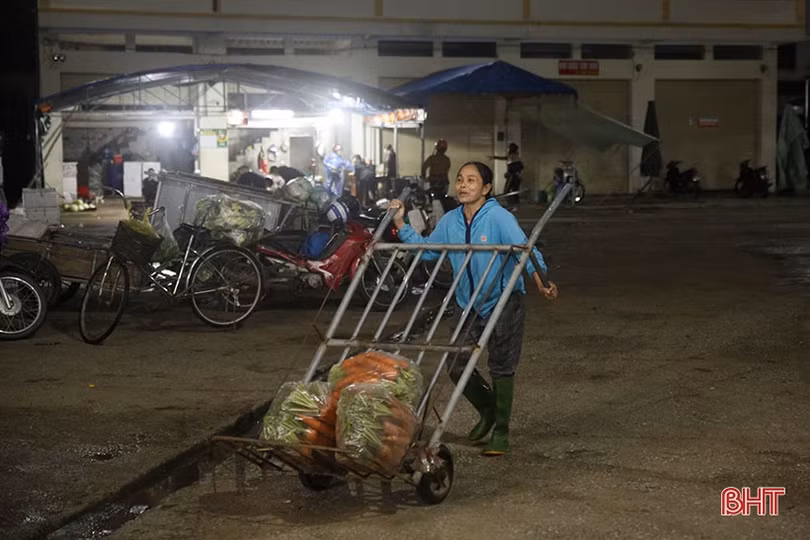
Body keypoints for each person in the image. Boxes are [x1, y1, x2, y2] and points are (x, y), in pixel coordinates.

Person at [388, 161, 558, 456]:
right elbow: (429, 249)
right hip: (467, 301)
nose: (463, 185)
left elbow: (524, 250)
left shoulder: (499, 218)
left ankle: (501, 432)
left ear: (487, 188)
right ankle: (490, 410)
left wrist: (540, 280)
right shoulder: (451, 221)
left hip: (503, 301)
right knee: (455, 363)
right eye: (460, 180)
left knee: (501, 367)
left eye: (471, 180)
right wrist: (401, 224)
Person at [492, 142, 525, 208]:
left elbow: (518, 166)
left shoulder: (514, 156)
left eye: (509, 148)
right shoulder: (513, 156)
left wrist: (512, 173)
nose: (508, 149)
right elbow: (505, 158)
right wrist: (495, 157)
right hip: (514, 176)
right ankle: (514, 204)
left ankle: (512, 204)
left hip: (513, 176)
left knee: (508, 190)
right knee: (513, 190)